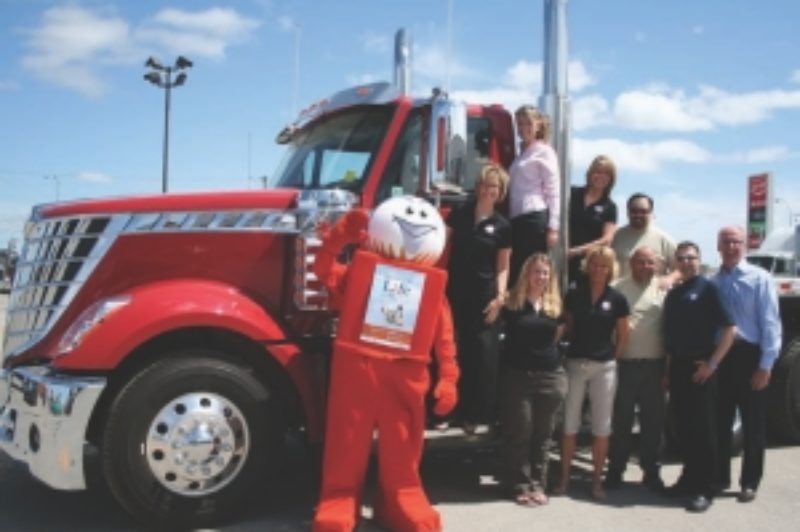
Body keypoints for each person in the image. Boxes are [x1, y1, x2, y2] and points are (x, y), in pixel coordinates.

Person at [312, 198, 459, 532]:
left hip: (407, 374)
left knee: (403, 443)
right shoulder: (360, 272)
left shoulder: (432, 286)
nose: (414, 220)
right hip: (357, 368)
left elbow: (444, 334)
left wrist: (449, 376)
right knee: (346, 438)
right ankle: (340, 495)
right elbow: (323, 270)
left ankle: (400, 496)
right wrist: (338, 238)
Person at [663, 241, 737, 513]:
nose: (686, 262)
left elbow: (730, 330)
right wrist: (668, 373)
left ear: (699, 259)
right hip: (679, 367)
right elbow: (670, 339)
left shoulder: (709, 289)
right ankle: (688, 479)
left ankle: (705, 488)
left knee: (704, 430)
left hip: (701, 366)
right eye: (681, 258)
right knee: (684, 428)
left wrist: (712, 364)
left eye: (691, 257)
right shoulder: (674, 294)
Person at [713, 226, 782, 504]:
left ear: (745, 246)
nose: (731, 246)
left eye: (736, 242)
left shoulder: (760, 278)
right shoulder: (713, 281)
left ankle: (750, 482)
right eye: (726, 242)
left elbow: (770, 324)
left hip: (750, 357)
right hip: (721, 358)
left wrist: (766, 365)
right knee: (720, 422)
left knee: (753, 424)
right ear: (718, 246)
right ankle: (720, 477)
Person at [556, 245, 630, 500]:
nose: (599, 269)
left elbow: (623, 335)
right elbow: (568, 325)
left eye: (604, 266)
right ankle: (564, 479)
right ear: (588, 266)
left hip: (604, 367)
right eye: (595, 264)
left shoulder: (617, 298)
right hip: (576, 364)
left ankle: (596, 482)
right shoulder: (574, 294)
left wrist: (613, 360)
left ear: (611, 269)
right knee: (569, 425)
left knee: (602, 427)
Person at [446, 162, 512, 433]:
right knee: (453, 353)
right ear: (478, 187)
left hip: (484, 296)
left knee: (480, 356)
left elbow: (503, 266)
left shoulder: (503, 226)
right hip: (454, 293)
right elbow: (441, 245)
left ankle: (474, 416)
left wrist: (499, 299)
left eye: (494, 186)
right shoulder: (459, 215)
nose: (488, 190)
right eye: (485, 185)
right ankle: (450, 411)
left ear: (501, 192)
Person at [499, 253, 567, 507]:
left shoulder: (555, 306)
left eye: (545, 273)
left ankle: (538, 485)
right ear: (527, 273)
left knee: (543, 435)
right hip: (518, 377)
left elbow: (556, 339)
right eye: (537, 272)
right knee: (520, 432)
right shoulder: (511, 303)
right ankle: (519, 485)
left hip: (550, 377)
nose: (541, 277)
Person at [605, 246, 668, 491]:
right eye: (641, 262)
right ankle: (615, 470)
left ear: (657, 265)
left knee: (653, 423)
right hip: (625, 366)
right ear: (631, 263)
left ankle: (651, 472)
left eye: (650, 262)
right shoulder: (617, 288)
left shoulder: (664, 289)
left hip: (655, 367)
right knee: (621, 422)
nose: (646, 267)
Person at [507, 105, 560, 284]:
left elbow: (553, 191)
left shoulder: (545, 151)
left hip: (533, 218)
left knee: (530, 271)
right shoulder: (521, 154)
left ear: (539, 124)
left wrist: (553, 228)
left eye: (528, 123)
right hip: (517, 219)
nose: (523, 128)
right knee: (518, 271)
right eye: (520, 124)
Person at [567, 155, 618, 283]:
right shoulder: (571, 193)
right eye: (597, 172)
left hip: (586, 265)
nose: (601, 176)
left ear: (611, 179)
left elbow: (607, 240)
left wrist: (576, 252)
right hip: (559, 257)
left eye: (606, 174)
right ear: (590, 173)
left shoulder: (610, 207)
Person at [611, 193, 678, 284]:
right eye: (634, 211)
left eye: (643, 211)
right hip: (620, 295)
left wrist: (669, 279)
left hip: (653, 296)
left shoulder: (665, 240)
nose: (638, 215)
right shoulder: (616, 237)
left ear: (651, 213)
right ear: (627, 212)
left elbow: (679, 270)